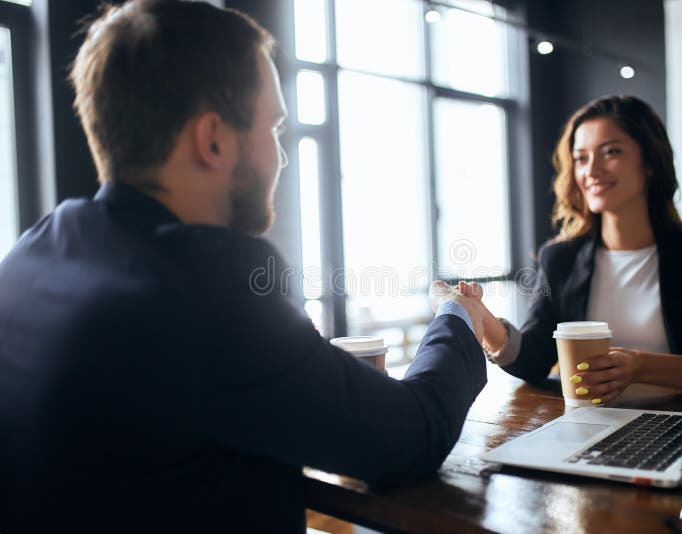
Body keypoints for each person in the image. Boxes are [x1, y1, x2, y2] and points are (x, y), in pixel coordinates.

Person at [0, 1, 489, 532]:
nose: (281, 155)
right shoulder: (207, 287)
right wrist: (455, 314)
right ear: (212, 140)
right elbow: (411, 436)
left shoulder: (31, 256)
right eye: (275, 129)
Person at [461, 95, 682, 403]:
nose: (591, 170)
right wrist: (489, 326)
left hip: (680, 433)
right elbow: (535, 359)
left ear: (649, 162)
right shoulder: (560, 259)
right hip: (586, 431)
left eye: (611, 152)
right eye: (580, 158)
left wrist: (643, 366)